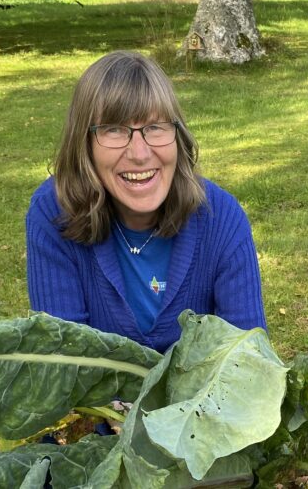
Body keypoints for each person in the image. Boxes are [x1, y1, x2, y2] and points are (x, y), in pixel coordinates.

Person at [25, 50, 267, 352]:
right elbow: (63, 363)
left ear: (177, 135)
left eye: (155, 127)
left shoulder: (222, 220)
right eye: (114, 129)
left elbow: (248, 365)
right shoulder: (53, 213)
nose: (139, 154)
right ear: (84, 143)